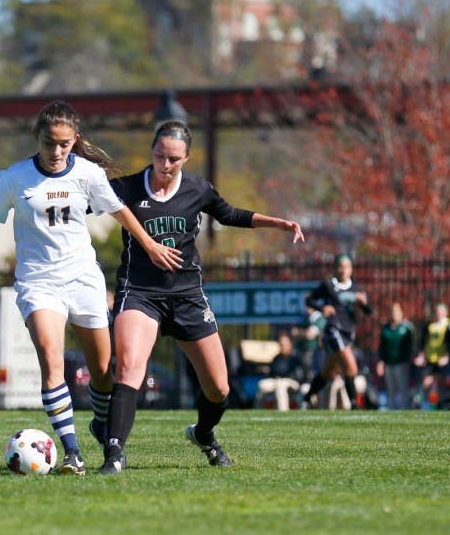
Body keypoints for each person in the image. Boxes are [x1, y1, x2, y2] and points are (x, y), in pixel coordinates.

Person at [0, 101, 182, 475]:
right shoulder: (14, 178)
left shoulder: (88, 174)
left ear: (75, 140)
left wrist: (150, 245)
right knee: (52, 360)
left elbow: (121, 211)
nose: (57, 152)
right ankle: (72, 452)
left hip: (83, 278)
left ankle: (100, 425)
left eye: (65, 144)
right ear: (36, 137)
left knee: (103, 372)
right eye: (50, 143)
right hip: (38, 282)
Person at [99, 120, 304, 474]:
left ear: (187, 158)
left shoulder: (197, 189)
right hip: (140, 292)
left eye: (174, 159)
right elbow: (81, 201)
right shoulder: (127, 188)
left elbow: (230, 214)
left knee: (219, 388)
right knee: (130, 367)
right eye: (160, 156)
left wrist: (279, 223)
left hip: (187, 295)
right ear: (152, 151)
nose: (165, 165)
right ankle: (114, 455)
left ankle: (203, 434)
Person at [304, 254, 370, 410]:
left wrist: (364, 303)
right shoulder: (328, 285)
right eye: (340, 266)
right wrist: (322, 308)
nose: (343, 270)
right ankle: (354, 405)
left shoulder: (356, 289)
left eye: (346, 267)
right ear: (334, 268)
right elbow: (309, 300)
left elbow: (368, 311)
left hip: (347, 332)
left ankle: (306, 399)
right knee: (351, 367)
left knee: (328, 371)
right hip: (333, 331)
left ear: (351, 269)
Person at [415, 302, 450, 410]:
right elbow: (423, 342)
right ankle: (425, 405)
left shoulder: (449, 325)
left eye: (440, 312)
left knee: (439, 385)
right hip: (430, 359)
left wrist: (447, 356)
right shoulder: (429, 325)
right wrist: (421, 355)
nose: (438, 314)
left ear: (445, 313)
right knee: (427, 383)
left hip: (441, 360)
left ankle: (438, 406)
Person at [376, 302, 416, 410]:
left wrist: (409, 359)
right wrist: (381, 361)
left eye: (396, 312)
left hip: (401, 363)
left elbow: (411, 346)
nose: (394, 315)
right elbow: (382, 347)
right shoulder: (386, 328)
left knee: (403, 388)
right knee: (390, 388)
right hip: (389, 363)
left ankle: (404, 409)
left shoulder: (406, 328)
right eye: (392, 312)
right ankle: (391, 409)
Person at [255, 332, 305, 411]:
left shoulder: (295, 358)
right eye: (280, 344)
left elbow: (299, 375)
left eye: (284, 344)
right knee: (261, 384)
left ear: (290, 344)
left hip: (292, 382)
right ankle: (258, 411)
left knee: (281, 384)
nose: (282, 347)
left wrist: (283, 378)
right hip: (277, 381)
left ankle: (283, 411)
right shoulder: (277, 358)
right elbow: (271, 373)